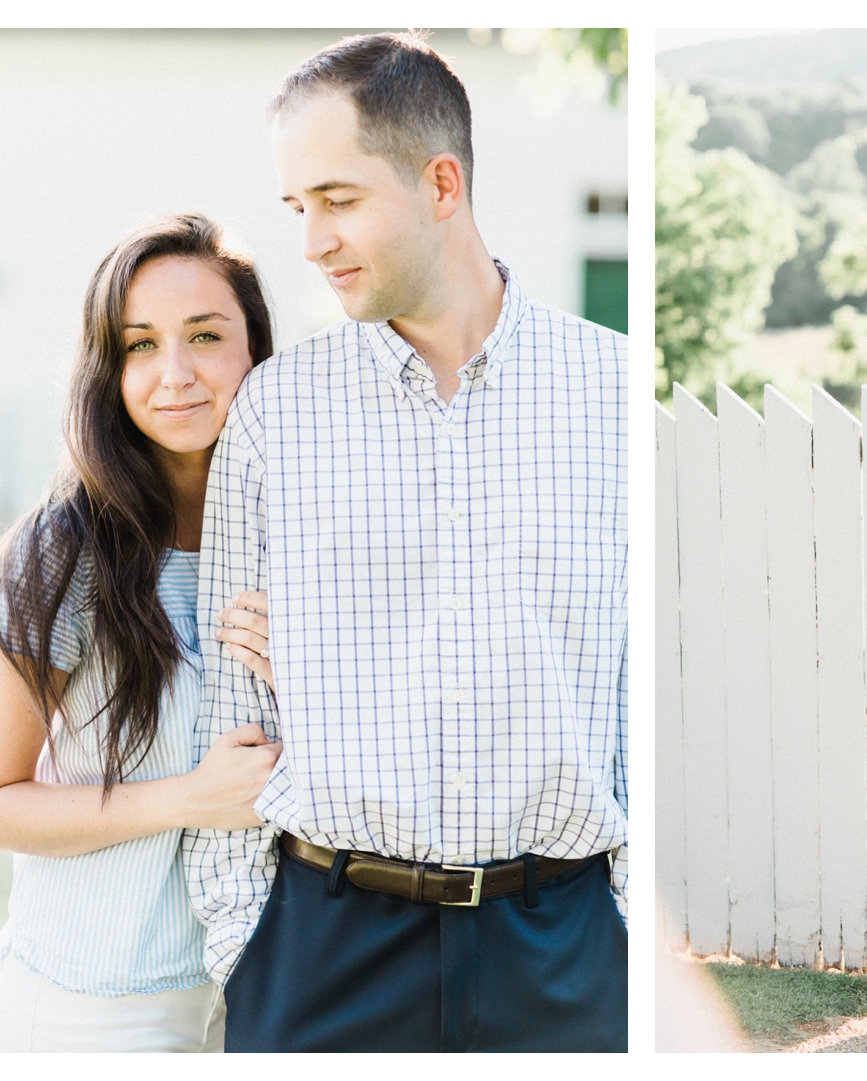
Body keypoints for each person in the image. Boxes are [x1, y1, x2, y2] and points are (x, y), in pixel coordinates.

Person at [183, 32, 628, 1053]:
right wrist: (245, 948)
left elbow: (644, 693)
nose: (312, 241)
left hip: (564, 953)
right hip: (323, 951)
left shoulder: (610, 393)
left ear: (440, 182)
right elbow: (235, 708)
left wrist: (624, 933)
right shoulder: (275, 415)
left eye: (338, 200)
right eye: (298, 208)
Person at [0, 214, 284, 1052]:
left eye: (205, 335)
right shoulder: (63, 549)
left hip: (249, 1003)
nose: (175, 374)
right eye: (140, 345)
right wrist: (188, 798)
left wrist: (314, 679)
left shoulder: (297, 543)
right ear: (109, 367)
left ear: (255, 347)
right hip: (84, 1013)